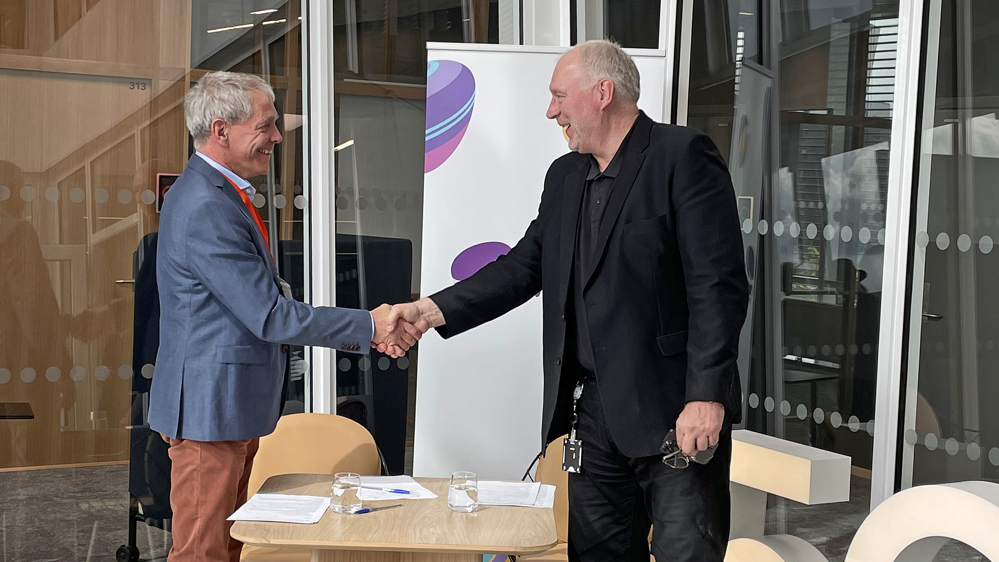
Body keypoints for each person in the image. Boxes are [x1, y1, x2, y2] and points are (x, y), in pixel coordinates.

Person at [386, 41, 748, 560]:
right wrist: (427, 311)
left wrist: (706, 396)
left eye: (559, 96)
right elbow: (522, 267)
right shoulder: (565, 176)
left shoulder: (682, 156)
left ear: (603, 93)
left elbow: (719, 286)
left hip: (675, 411)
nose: (551, 110)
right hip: (594, 417)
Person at [148, 71, 420, 562]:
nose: (277, 136)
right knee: (201, 553)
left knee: (226, 548)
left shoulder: (217, 193)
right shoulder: (206, 203)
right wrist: (369, 325)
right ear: (220, 129)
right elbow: (268, 316)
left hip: (226, 409)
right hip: (208, 411)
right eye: (266, 125)